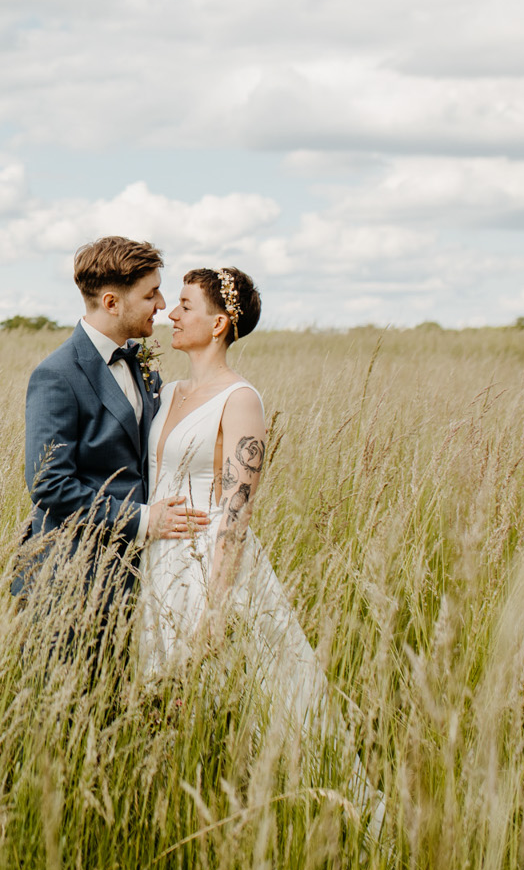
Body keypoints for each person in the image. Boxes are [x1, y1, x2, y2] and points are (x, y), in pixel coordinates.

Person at [137, 266, 384, 837]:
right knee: (154, 706)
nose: (171, 314)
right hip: (156, 560)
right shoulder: (168, 391)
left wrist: (215, 609)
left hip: (208, 566)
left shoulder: (241, 399)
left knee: (227, 702)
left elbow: (237, 513)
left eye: (185, 305)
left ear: (220, 323)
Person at [14, 237, 209, 644]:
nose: (161, 304)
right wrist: (143, 519)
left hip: (137, 574)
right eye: (150, 293)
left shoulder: (140, 362)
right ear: (111, 302)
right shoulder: (57, 375)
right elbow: (49, 484)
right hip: (71, 577)